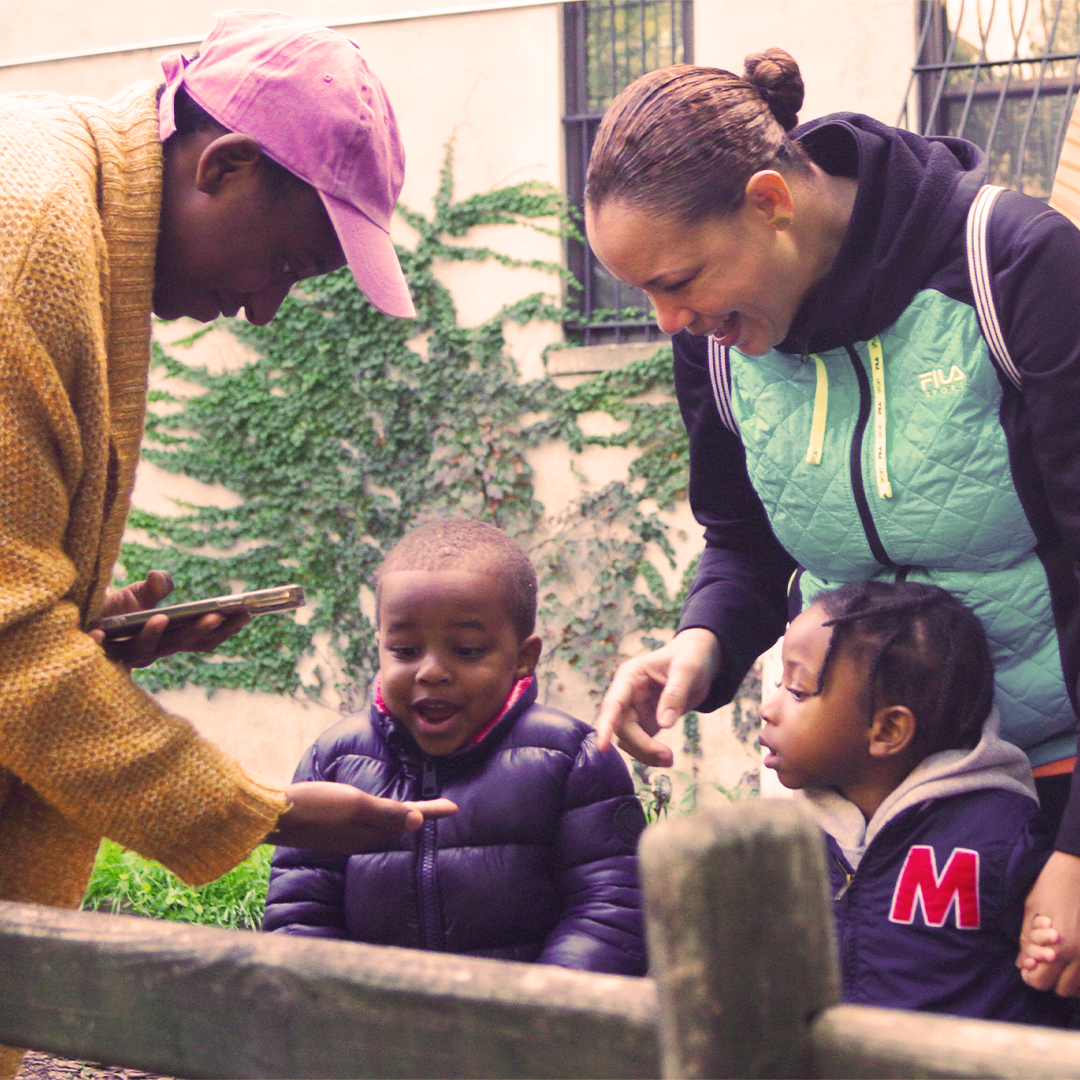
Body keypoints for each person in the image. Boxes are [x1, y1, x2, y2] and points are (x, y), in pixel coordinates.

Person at [0, 13, 454, 1072]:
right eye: (289, 260)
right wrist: (262, 816)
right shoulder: (30, 246)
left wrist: (87, 636)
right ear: (227, 165)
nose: (264, 307)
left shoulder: (71, 197)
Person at [583, 48, 1080, 996]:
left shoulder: (1014, 270)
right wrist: (701, 642)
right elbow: (744, 539)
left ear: (771, 200)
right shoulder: (720, 342)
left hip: (1050, 794)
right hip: (850, 809)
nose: (666, 321)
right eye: (642, 291)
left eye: (678, 279)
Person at [263, 519, 647, 974]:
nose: (431, 671)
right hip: (376, 1029)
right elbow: (299, 914)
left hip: (527, 1030)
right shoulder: (335, 760)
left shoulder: (572, 758)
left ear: (524, 657)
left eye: (465, 650)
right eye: (405, 650)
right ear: (380, 646)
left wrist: (534, 1010)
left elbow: (611, 911)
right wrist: (346, 1008)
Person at [762, 579, 1071, 1024]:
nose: (767, 709)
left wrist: (1046, 945)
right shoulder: (791, 841)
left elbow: (1054, 945)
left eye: (796, 691)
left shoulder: (999, 833)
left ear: (887, 731)